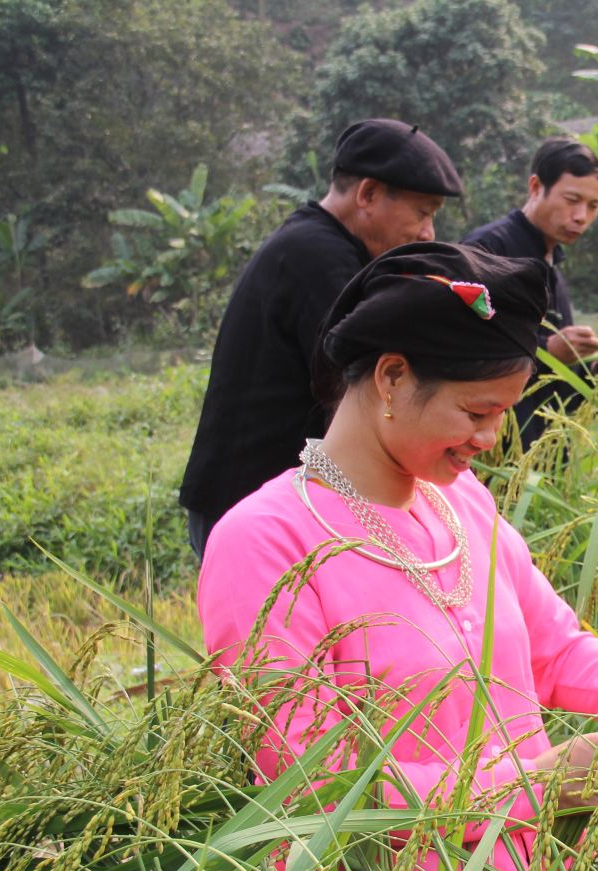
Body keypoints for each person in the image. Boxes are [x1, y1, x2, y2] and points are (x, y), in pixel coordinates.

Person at [199, 243, 598, 871]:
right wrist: (532, 784)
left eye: (504, 411)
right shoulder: (264, 541)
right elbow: (316, 786)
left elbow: (556, 652)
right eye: (475, 413)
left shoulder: (463, 502)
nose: (491, 436)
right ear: (391, 378)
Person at [180, 119, 463, 558]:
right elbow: (376, 377)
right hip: (252, 514)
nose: (428, 233)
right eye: (422, 213)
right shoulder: (318, 258)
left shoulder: (322, 247)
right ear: (367, 194)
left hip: (271, 503)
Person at [463, 138, 598, 447]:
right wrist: (546, 350)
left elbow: (552, 383)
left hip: (541, 457)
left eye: (593, 206)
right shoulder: (487, 252)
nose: (581, 217)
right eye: (571, 200)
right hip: (491, 450)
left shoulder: (552, 269)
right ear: (535, 187)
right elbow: (463, 349)